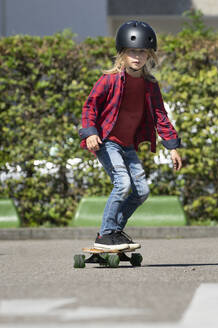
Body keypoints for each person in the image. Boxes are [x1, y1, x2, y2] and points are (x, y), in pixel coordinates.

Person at [79, 20, 182, 250]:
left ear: (149, 56)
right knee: (123, 183)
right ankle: (105, 234)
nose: (138, 56)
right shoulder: (109, 80)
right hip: (107, 143)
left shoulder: (149, 85)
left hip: (127, 145)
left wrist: (172, 146)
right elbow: (89, 107)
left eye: (143, 52)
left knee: (142, 192)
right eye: (133, 51)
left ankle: (114, 230)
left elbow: (160, 117)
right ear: (123, 54)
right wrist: (90, 132)